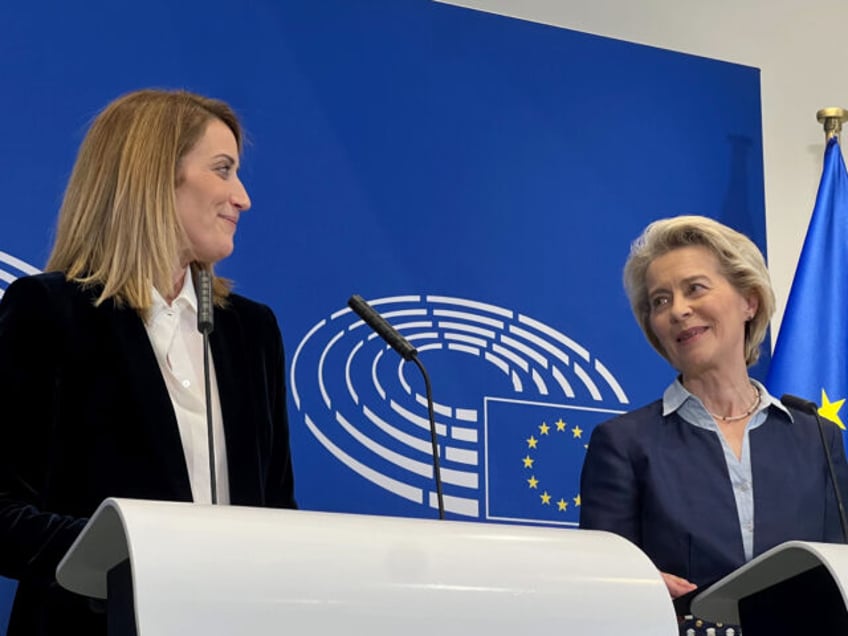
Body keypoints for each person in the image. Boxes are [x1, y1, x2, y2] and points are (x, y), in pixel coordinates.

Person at [0, 89, 297, 635]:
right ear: (156, 177)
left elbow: (279, 511)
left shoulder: (251, 332)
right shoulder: (50, 313)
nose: (243, 197)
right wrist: (132, 555)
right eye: (223, 170)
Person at [579, 215, 848, 634]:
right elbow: (601, 593)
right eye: (660, 301)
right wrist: (633, 587)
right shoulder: (623, 444)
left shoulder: (817, 437)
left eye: (694, 289)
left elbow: (839, 572)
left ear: (749, 301)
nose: (678, 311)